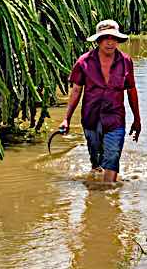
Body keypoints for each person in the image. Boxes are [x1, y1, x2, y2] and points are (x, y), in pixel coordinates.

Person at [58, 19, 142, 182]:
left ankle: (107, 196)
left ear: (118, 40)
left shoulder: (125, 61)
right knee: (96, 160)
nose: (110, 42)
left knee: (112, 156)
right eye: (105, 38)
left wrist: (137, 119)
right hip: (91, 118)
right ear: (98, 40)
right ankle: (96, 185)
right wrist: (66, 119)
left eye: (113, 38)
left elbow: (131, 90)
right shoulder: (84, 62)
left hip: (115, 118)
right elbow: (76, 90)